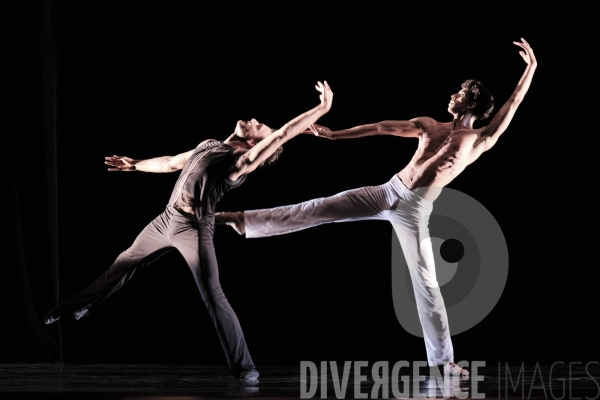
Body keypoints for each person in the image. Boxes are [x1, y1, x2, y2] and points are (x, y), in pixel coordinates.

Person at [217, 39, 537, 376]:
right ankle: (241, 220)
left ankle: (444, 362)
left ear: (472, 101)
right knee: (317, 207)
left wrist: (530, 68)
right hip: (388, 191)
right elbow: (381, 127)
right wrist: (334, 135)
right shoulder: (429, 125)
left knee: (427, 284)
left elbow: (512, 104)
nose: (452, 95)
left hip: (414, 210)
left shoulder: (479, 139)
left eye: (459, 93)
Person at [43, 81, 334, 381]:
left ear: (253, 145)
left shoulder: (238, 163)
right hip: (165, 219)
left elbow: (283, 134)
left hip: (194, 229)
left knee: (213, 295)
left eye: (260, 127)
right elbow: (171, 163)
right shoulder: (209, 144)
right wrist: (136, 166)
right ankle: (75, 308)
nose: (255, 121)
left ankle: (245, 366)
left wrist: (322, 108)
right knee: (124, 262)